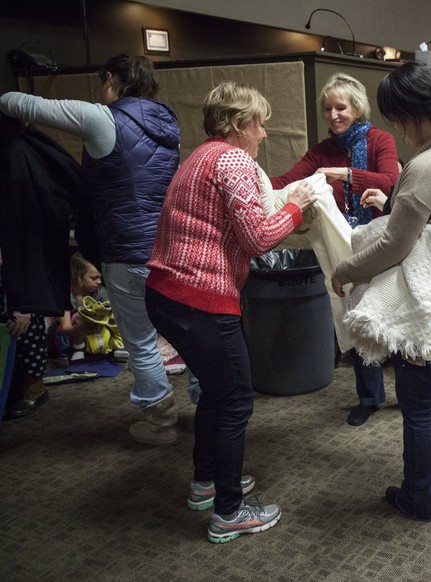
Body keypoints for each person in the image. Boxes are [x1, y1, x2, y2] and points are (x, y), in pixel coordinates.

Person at [145, 80, 316, 543]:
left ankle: (207, 482)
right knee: (237, 399)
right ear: (240, 124)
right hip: (200, 298)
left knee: (217, 396)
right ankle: (229, 512)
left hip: (167, 294)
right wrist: (297, 209)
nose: (263, 134)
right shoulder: (235, 159)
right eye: (260, 124)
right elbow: (258, 238)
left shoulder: (201, 157)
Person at [331, 62, 431, 522]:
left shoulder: (423, 166)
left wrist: (345, 268)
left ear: (408, 113)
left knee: (420, 409)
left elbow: (392, 247)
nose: (394, 128)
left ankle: (419, 499)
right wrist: (395, 203)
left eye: (394, 118)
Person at [0, 54, 183, 445]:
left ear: (110, 79)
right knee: (185, 335)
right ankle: (208, 410)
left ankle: (161, 425)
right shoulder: (170, 123)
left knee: (141, 343)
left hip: (126, 253)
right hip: (170, 249)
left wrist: (20, 119)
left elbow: (14, 100)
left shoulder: (103, 118)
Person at [271, 73, 400, 427]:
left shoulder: (380, 141)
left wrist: (346, 174)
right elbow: (286, 181)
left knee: (393, 314)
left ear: (357, 107)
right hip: (343, 245)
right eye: (327, 108)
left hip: (381, 240)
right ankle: (369, 397)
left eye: (340, 107)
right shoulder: (320, 151)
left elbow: (391, 180)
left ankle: (407, 392)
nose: (333, 115)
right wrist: (247, 177)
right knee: (354, 316)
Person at [55, 252, 112, 362]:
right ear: (78, 277)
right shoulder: (67, 296)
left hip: (94, 333)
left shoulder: (100, 292)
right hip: (69, 335)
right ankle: (78, 349)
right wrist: (80, 328)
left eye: (100, 277)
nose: (99, 282)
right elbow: (65, 328)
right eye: (94, 278)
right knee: (79, 316)